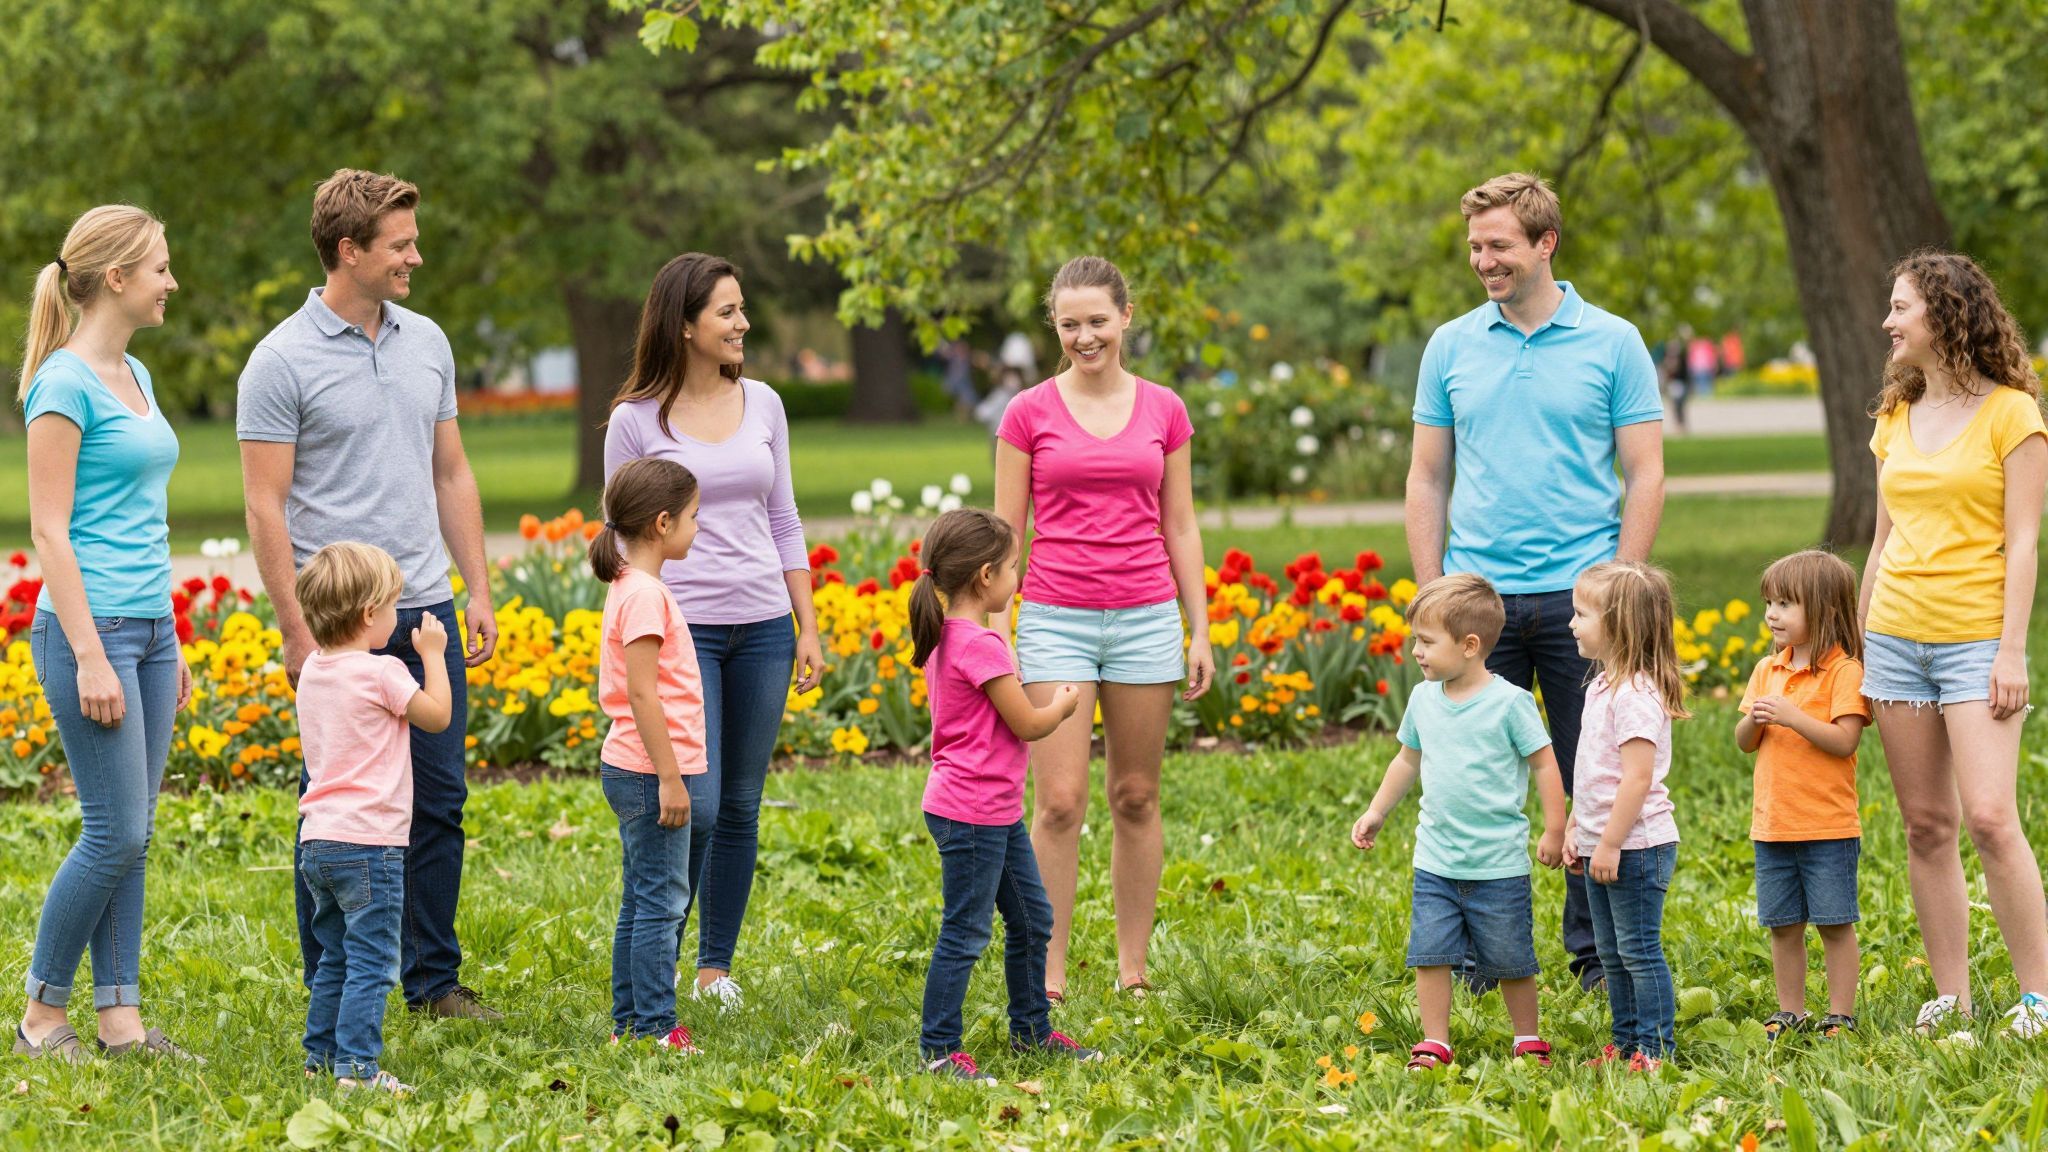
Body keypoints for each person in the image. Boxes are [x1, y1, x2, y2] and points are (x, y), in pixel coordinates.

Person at [239, 169, 501, 1020]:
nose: (415, 258)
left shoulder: (427, 341)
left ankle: (431, 983)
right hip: (341, 625)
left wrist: (478, 589)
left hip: (422, 607)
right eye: (400, 246)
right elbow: (264, 503)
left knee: (439, 799)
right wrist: (294, 630)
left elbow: (451, 470)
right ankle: (337, 982)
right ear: (348, 252)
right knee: (339, 805)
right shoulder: (279, 361)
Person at [1405, 172, 1665, 992]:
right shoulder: (1450, 345)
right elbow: (1425, 477)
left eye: (1501, 246)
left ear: (1546, 243)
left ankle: (1596, 958)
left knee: (1590, 777)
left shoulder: (1614, 341)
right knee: (1477, 775)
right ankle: (1486, 956)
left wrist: (1620, 585)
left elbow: (1646, 470)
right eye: (1476, 247)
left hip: (1580, 600)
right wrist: (1433, 594)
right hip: (1478, 600)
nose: (1485, 260)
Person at [603, 253, 825, 1010]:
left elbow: (784, 517)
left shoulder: (763, 403)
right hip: (680, 633)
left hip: (762, 624)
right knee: (692, 800)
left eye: (742, 309)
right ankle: (657, 957)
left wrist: (807, 624)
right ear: (686, 325)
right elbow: (616, 541)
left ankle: (714, 969)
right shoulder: (634, 422)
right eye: (728, 312)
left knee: (740, 804)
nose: (743, 324)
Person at [994, 255, 1215, 1003]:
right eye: (1069, 325)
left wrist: (1201, 628)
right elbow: (1004, 535)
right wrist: (993, 633)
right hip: (1055, 619)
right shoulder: (1027, 413)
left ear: (1125, 317)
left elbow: (1180, 525)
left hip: (1146, 619)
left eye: (1096, 321)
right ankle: (1046, 973)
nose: (1084, 337)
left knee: (1135, 796)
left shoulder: (1164, 409)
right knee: (1059, 802)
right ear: (1054, 328)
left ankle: (1133, 970)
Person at [13, 205, 199, 1063]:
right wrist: (92, 652)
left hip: (150, 629)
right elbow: (49, 530)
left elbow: (141, 518)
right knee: (112, 830)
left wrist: (172, 636)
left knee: (138, 827)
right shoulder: (63, 382)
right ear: (117, 277)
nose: (171, 282)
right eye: (159, 268)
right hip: (89, 634)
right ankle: (42, 1016)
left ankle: (120, 1022)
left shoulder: (137, 376)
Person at [1861, 250, 2048, 1040]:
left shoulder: (2013, 414)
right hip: (1896, 641)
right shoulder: (1893, 417)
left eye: (1901, 307)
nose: (1888, 322)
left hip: (1976, 641)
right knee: (1925, 826)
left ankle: (2037, 996)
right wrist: (1858, 647)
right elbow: (1879, 541)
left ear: (1945, 314)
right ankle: (1954, 998)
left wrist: (2013, 651)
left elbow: (2025, 543)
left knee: (1991, 818)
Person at [907, 508, 1100, 1079]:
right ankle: (939, 1050)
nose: (1019, 577)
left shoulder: (945, 637)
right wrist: (1064, 705)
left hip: (988, 811)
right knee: (965, 932)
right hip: (971, 814)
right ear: (985, 577)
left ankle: (1031, 1033)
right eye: (1014, 567)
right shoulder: (983, 646)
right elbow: (1028, 724)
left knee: (1033, 918)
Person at [1350, 574, 1568, 1072]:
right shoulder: (1424, 700)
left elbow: (1544, 764)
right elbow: (1407, 761)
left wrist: (1555, 829)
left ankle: (1527, 1038)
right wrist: (1377, 811)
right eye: (1415, 641)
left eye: (1427, 642)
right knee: (1430, 954)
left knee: (1513, 959)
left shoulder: (1510, 703)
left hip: (1498, 864)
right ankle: (1435, 1042)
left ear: (1470, 646)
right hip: (1436, 860)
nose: (1416, 652)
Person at [294, 542, 453, 1094]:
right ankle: (357, 1070)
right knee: (371, 962)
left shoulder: (313, 670)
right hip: (370, 845)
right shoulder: (383, 672)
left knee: (335, 954)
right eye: (392, 605)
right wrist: (432, 654)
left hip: (317, 841)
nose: (397, 615)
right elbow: (436, 717)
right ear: (369, 615)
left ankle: (320, 1057)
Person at [588, 458, 708, 1053]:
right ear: (663, 523)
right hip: (647, 770)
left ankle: (630, 1024)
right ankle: (657, 1027)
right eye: (692, 517)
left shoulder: (633, 587)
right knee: (661, 904)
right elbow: (642, 691)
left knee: (642, 899)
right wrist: (670, 777)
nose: (697, 527)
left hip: (637, 767)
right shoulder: (643, 594)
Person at [1734, 550, 1868, 1041]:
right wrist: (1756, 719)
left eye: (1786, 604)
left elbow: (1844, 741)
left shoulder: (1844, 672)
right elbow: (1744, 741)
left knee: (1834, 923)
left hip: (1828, 827)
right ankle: (1791, 1009)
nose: (1772, 614)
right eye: (1770, 602)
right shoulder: (1768, 670)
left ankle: (1841, 1013)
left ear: (1824, 608)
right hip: (1773, 825)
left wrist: (1792, 717)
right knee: (1783, 925)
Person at [1563, 561, 1687, 1069]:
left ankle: (1656, 1049)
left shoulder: (1636, 695)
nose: (1571, 624)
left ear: (1617, 625)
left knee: (1638, 951)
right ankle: (1627, 1043)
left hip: (1636, 846)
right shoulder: (1600, 687)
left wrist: (1610, 842)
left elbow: (1636, 779)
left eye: (1581, 614)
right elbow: (1593, 770)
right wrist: (1577, 827)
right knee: (1611, 955)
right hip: (1604, 843)